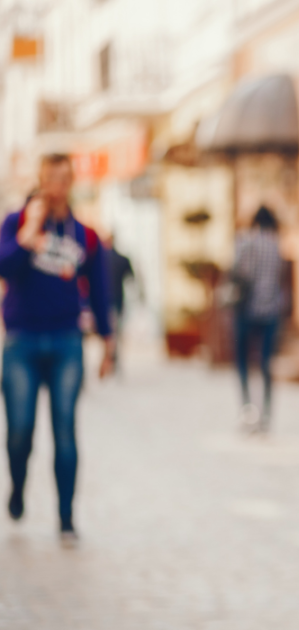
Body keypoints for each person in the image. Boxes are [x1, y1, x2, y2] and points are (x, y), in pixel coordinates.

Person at [0, 153, 115, 544]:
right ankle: (17, 487)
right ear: (41, 179)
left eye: (65, 178)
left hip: (67, 340)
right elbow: (4, 266)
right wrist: (26, 237)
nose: (58, 186)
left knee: (65, 429)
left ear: (72, 182)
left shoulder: (84, 235)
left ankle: (66, 518)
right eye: (51, 178)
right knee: (20, 430)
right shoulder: (15, 223)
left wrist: (108, 341)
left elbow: (99, 291)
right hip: (21, 341)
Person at [233, 206, 285, 433]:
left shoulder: (245, 242)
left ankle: (247, 408)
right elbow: (280, 277)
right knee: (265, 363)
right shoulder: (276, 246)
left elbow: (237, 271)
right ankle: (266, 412)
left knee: (243, 361)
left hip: (246, 309)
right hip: (271, 310)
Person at [106, 236, 134, 372]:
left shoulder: (102, 259)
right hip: (118, 300)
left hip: (105, 301)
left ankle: (110, 359)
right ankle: (113, 360)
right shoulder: (123, 259)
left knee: (107, 333)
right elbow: (131, 278)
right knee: (115, 333)